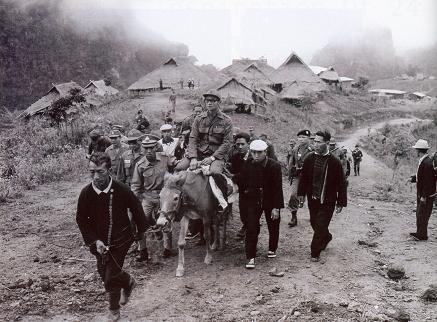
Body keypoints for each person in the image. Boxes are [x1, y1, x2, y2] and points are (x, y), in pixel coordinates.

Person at [76, 152, 149, 321]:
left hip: (121, 239)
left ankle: (114, 310)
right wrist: (94, 240)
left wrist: (142, 229)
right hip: (98, 241)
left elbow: (136, 208)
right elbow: (81, 219)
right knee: (103, 272)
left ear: (109, 170)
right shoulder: (86, 193)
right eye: (92, 172)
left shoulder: (121, 189)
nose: (95, 176)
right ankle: (128, 281)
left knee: (111, 276)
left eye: (100, 172)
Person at [175, 89, 233, 210]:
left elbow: (227, 143)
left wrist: (212, 158)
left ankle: (222, 202)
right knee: (179, 169)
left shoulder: (226, 121)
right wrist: (193, 158)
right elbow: (192, 138)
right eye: (207, 101)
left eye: (213, 100)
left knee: (216, 173)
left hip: (216, 156)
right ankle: (178, 201)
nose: (209, 103)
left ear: (218, 102)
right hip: (198, 154)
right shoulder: (199, 119)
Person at [297, 130, 347, 262]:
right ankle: (326, 237)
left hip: (328, 200)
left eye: (319, 142)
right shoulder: (309, 158)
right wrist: (301, 194)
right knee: (314, 222)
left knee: (320, 224)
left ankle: (315, 251)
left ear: (327, 143)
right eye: (315, 141)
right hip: (313, 198)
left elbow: (342, 183)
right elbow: (304, 179)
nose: (316, 144)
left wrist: (341, 202)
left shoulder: (334, 162)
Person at [233, 140, 284, 269]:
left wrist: (276, 207)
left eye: (259, 152)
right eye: (253, 152)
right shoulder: (248, 163)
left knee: (273, 224)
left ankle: (272, 248)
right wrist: (229, 176)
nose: (256, 155)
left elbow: (278, 188)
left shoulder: (274, 166)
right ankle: (250, 256)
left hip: (270, 200)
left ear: (265, 152)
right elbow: (242, 178)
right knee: (251, 227)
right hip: (253, 200)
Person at [131, 134, 177, 259]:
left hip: (163, 196)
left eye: (151, 147)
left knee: (166, 221)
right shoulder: (140, 165)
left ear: (156, 147)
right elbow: (135, 185)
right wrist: (133, 203)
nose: (149, 151)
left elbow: (176, 166)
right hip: (148, 197)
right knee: (140, 221)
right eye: (146, 148)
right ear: (142, 149)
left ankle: (168, 249)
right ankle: (143, 251)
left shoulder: (165, 158)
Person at [408, 139, 436, 241]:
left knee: (423, 214)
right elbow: (422, 176)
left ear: (419, 151)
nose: (415, 152)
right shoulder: (424, 161)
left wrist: (424, 196)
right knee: (420, 213)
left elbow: (428, 182)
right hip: (423, 193)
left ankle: (422, 235)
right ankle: (420, 233)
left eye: (416, 150)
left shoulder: (427, 163)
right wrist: (413, 179)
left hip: (427, 194)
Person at [287, 130, 312, 227]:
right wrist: (290, 174)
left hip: (310, 177)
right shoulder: (296, 149)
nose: (301, 139)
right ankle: (294, 216)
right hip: (298, 176)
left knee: (312, 197)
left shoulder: (313, 149)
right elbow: (291, 163)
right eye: (299, 137)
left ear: (308, 138)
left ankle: (313, 215)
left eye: (303, 137)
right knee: (294, 195)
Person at [228, 132, 251, 239]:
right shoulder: (235, 156)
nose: (240, 147)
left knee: (251, 209)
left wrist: (233, 175)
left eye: (243, 144)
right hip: (242, 188)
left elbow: (248, 174)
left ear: (248, 144)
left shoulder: (254, 156)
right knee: (243, 209)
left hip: (255, 188)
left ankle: (249, 228)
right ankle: (246, 225)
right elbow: (233, 170)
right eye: (238, 144)